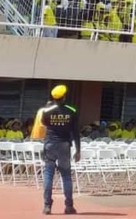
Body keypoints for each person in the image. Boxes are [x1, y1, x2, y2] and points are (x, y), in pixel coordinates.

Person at [40, 85, 81, 215]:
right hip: (64, 145)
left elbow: (44, 124)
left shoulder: (46, 110)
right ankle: (69, 206)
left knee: (48, 175)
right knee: (66, 176)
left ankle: (47, 206)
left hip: (50, 144)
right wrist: (78, 150)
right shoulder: (72, 110)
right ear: (64, 97)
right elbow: (75, 132)